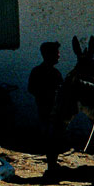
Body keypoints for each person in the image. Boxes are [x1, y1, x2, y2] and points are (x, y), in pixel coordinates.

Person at [28, 41, 64, 172]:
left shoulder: (54, 72)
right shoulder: (42, 72)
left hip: (52, 110)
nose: (59, 55)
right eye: (56, 53)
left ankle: (52, 164)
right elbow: (32, 89)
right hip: (47, 110)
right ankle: (51, 166)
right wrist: (47, 95)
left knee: (54, 138)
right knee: (51, 138)